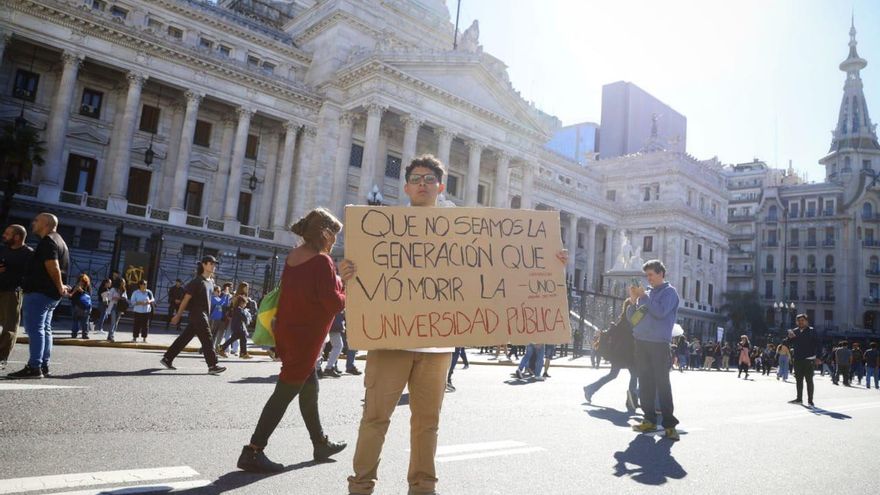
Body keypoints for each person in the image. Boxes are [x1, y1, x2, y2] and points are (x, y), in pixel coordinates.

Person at [237, 207, 352, 472]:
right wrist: (346, 286)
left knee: (310, 390)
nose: (335, 241)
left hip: (289, 333)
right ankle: (253, 450)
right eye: (334, 235)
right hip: (306, 338)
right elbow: (333, 303)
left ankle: (320, 442)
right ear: (323, 233)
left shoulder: (294, 256)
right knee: (284, 393)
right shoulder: (322, 261)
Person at [7, 213, 69, 379]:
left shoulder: (48, 241)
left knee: (35, 330)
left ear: (46, 223)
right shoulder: (60, 241)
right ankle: (43, 365)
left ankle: (34, 367)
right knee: (45, 329)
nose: (33, 223)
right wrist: (60, 287)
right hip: (50, 294)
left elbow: (53, 265)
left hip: (40, 292)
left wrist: (59, 286)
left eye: (36, 220)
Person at [629, 259, 681, 441]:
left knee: (662, 384)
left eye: (651, 274)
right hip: (642, 343)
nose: (648, 278)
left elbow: (659, 312)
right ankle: (649, 419)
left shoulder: (670, 293)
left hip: (659, 344)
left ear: (661, 274)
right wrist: (633, 301)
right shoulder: (647, 294)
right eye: (647, 275)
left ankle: (669, 426)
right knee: (645, 383)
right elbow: (633, 319)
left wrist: (644, 297)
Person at [160, 256, 226, 375]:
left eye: (215, 264)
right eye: (211, 263)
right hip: (197, 314)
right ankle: (212, 365)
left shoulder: (211, 282)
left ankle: (167, 358)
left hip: (204, 314)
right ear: (204, 265)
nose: (213, 266)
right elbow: (186, 299)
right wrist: (178, 315)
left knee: (185, 337)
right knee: (207, 338)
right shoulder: (197, 281)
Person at [583, 297, 639, 412]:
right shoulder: (629, 321)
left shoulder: (622, 320)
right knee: (634, 374)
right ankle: (632, 399)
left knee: (613, 375)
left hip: (619, 354)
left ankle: (590, 389)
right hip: (626, 354)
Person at [0, 224, 33, 369]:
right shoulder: (2, 249)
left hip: (12, 292)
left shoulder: (29, 253)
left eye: (7, 233)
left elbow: (30, 275)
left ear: (17, 237)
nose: (4, 235)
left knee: (9, 327)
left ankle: (1, 357)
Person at [784, 314, 820, 405]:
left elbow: (818, 344)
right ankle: (799, 399)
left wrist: (818, 357)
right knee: (799, 380)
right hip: (798, 359)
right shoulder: (794, 331)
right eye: (799, 321)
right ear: (797, 322)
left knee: (809, 380)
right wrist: (789, 337)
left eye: (802, 320)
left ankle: (810, 401)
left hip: (809, 359)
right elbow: (785, 343)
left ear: (806, 321)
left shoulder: (812, 331)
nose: (801, 322)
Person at [219, 287, 253, 359]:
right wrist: (247, 317)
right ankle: (243, 353)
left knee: (234, 339)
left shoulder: (236, 308)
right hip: (239, 328)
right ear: (241, 303)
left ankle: (222, 348)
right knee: (243, 339)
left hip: (237, 327)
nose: (245, 305)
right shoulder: (239, 309)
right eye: (244, 303)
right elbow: (244, 318)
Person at [69, 274, 92, 339]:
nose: (81, 282)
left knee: (78, 321)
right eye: (80, 281)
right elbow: (89, 296)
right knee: (83, 321)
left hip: (80, 307)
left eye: (82, 281)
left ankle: (75, 334)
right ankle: (83, 334)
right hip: (82, 307)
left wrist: (81, 291)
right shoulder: (77, 287)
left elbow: (70, 298)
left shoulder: (86, 287)